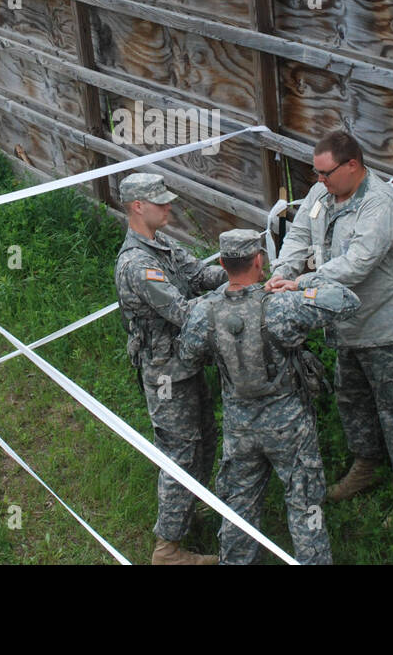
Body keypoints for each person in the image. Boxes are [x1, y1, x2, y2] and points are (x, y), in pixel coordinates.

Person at [267, 130, 393, 524]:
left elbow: (357, 263)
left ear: (353, 165)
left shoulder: (380, 204)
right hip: (346, 325)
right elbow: (300, 237)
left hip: (389, 326)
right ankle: (367, 465)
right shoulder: (321, 195)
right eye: (316, 173)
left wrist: (302, 283)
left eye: (325, 173)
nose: (318, 181)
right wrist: (282, 272)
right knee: (353, 400)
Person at [176, 229, 360, 565]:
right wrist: (300, 283)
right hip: (289, 425)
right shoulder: (282, 305)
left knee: (238, 504)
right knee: (307, 504)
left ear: (222, 262)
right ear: (260, 261)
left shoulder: (205, 312)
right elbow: (347, 301)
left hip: (239, 426)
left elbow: (188, 355)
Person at [114, 172, 227, 565]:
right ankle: (167, 550)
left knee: (206, 439)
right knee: (179, 450)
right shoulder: (136, 264)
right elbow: (182, 311)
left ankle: (185, 515)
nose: (168, 206)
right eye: (159, 201)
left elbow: (197, 275)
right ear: (137, 207)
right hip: (165, 373)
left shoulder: (163, 244)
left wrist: (233, 268)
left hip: (188, 361)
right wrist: (234, 291)